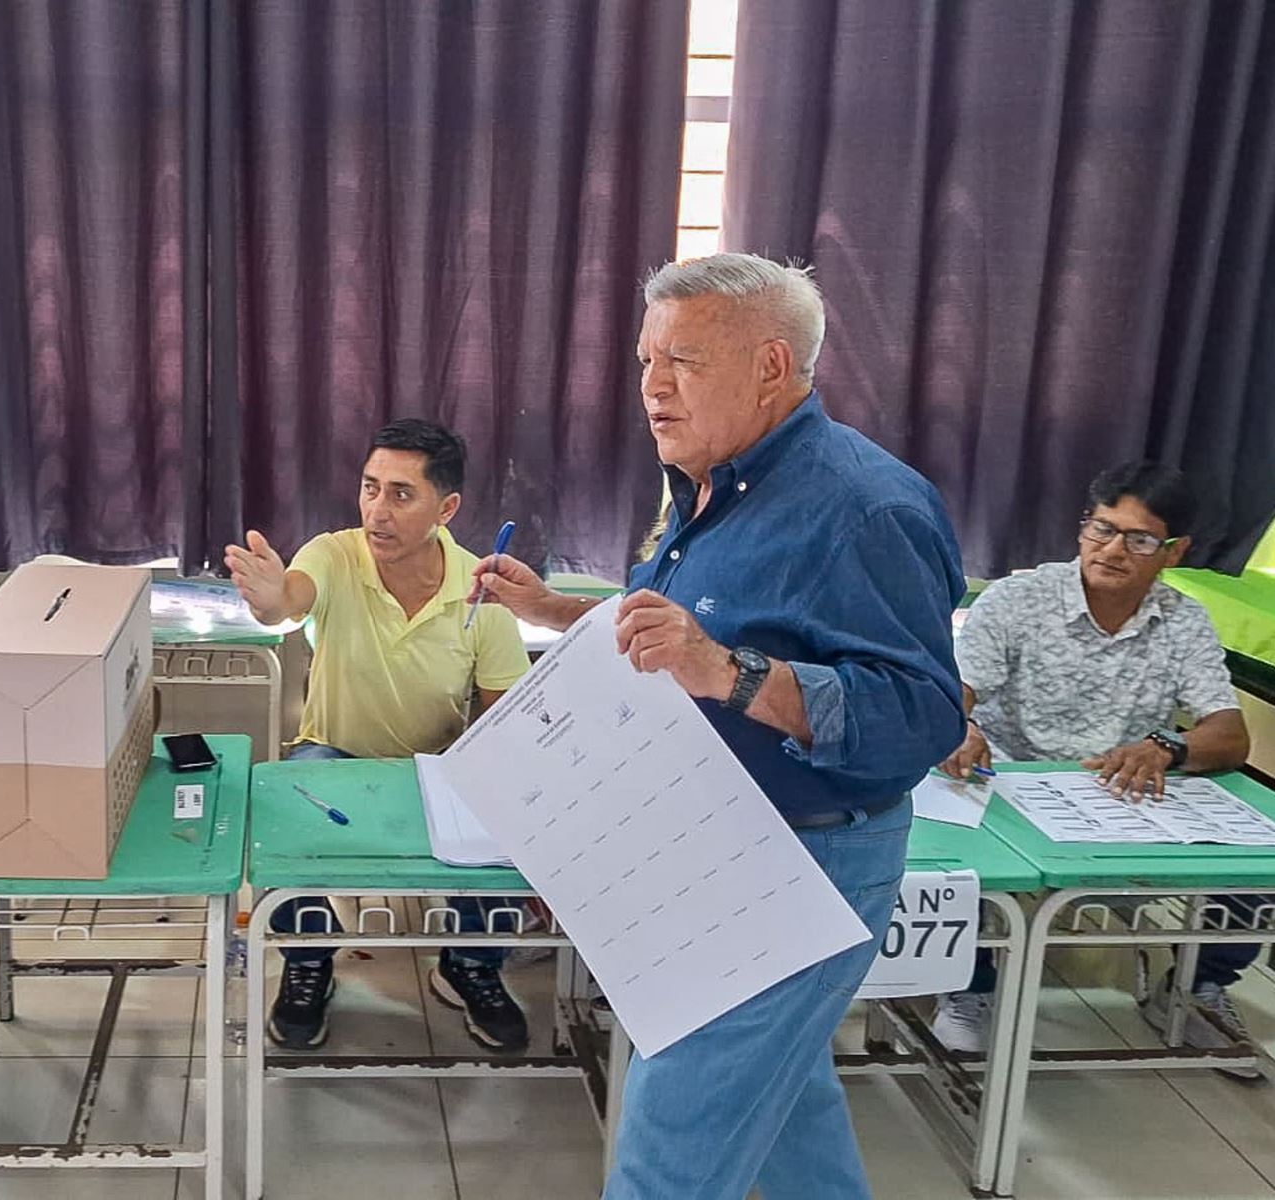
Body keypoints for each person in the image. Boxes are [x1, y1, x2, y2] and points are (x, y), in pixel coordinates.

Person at [472, 253, 966, 1199]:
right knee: (786, 1128)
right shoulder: (717, 483)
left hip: (799, 866)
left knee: (671, 1157)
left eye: (685, 363)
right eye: (647, 360)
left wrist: (730, 673)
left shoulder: (866, 508)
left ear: (773, 367)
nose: (653, 388)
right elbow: (676, 631)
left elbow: (920, 718)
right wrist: (557, 612)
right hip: (707, 842)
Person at [224, 419, 534, 1051]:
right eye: (370, 488)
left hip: (439, 765)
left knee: (508, 806)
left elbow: (506, 722)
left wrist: (509, 802)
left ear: (446, 508)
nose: (377, 511)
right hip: (334, 756)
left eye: (400, 494)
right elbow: (289, 598)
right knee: (289, 806)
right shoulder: (334, 556)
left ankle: (470, 964)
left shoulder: (483, 591)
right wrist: (268, 600)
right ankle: (309, 961)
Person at [931, 463, 1252, 1067]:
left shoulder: (1183, 621)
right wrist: (960, 728)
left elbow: (1229, 735)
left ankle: (1197, 989)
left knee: (1251, 868)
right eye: (1102, 530)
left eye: (1140, 540)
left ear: (1174, 552)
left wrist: (1167, 747)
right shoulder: (1018, 600)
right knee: (959, 854)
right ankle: (968, 988)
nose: (1112, 550)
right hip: (1007, 784)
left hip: (1116, 794)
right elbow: (954, 695)